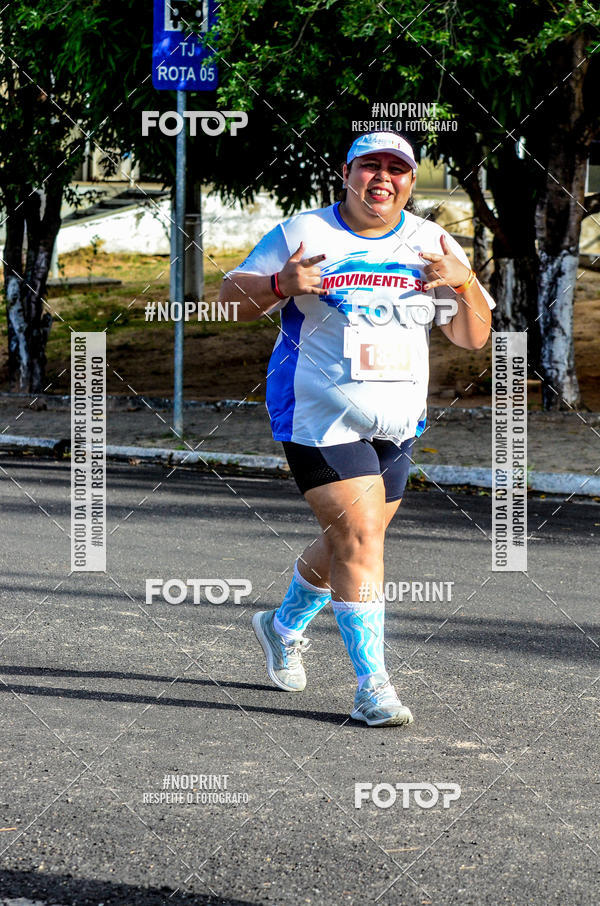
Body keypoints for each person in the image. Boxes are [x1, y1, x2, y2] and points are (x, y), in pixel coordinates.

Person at [219, 131, 494, 726]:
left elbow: (471, 337)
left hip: (397, 419)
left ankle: (282, 623)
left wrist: (464, 282)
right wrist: (277, 286)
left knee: (349, 540)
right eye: (370, 166)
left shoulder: (431, 242)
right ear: (346, 172)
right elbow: (226, 298)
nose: (382, 179)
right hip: (318, 413)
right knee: (362, 539)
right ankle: (374, 686)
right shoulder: (304, 233)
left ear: (409, 182)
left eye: (397, 169)